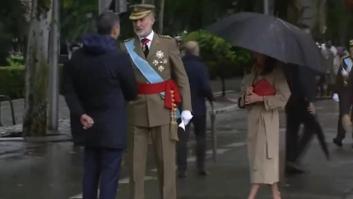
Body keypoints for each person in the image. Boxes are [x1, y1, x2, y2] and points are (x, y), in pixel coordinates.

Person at [63, 12, 137, 199]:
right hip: (112, 127)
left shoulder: (78, 57)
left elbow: (68, 90)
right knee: (109, 178)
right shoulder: (119, 58)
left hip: (88, 126)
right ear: (115, 30)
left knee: (90, 174)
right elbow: (132, 92)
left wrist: (80, 113)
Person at [123, 4, 192, 199]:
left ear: (152, 20)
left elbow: (182, 77)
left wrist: (186, 108)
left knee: (166, 166)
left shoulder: (167, 44)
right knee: (135, 170)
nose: (138, 24)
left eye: (142, 19)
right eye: (135, 20)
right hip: (136, 112)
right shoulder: (127, 46)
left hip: (164, 110)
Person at [238, 52, 290, 199]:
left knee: (265, 156)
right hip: (253, 119)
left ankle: (253, 194)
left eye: (260, 54)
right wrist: (246, 95)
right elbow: (242, 99)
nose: (256, 56)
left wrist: (261, 98)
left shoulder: (276, 73)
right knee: (256, 157)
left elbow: (284, 96)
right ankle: (275, 192)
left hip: (268, 120)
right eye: (255, 54)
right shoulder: (252, 72)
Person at [176, 41, 214, 178]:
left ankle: (181, 169)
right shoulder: (200, 67)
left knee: (182, 139)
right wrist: (210, 98)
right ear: (196, 51)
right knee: (200, 137)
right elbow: (205, 86)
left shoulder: (179, 66)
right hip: (198, 108)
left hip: (182, 107)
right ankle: (201, 166)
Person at [284, 65, 328, 173]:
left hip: (290, 100)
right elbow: (319, 75)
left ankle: (290, 159)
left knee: (292, 129)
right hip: (302, 100)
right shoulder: (305, 61)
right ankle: (293, 157)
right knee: (310, 127)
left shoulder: (286, 60)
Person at [333, 40, 353, 147]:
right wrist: (336, 91)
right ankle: (340, 137)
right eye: (351, 47)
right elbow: (341, 78)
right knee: (343, 113)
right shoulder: (347, 61)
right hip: (346, 91)